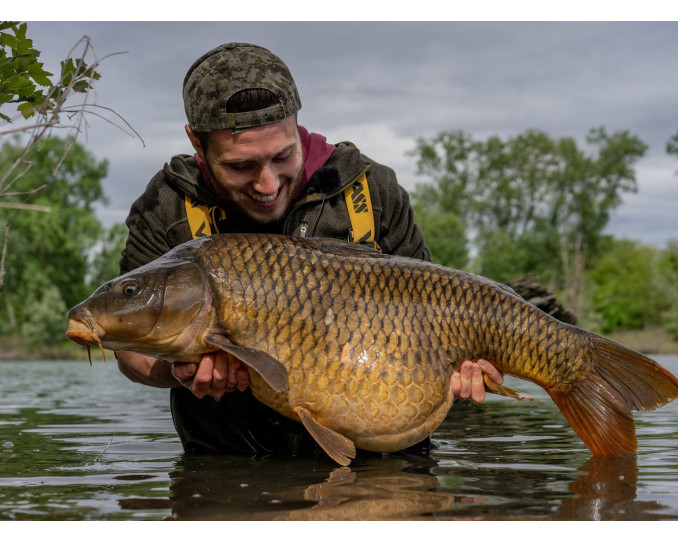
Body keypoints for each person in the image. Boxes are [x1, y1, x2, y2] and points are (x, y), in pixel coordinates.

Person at [116, 42, 503, 456]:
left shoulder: (372, 190)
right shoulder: (166, 206)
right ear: (197, 142)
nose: (267, 184)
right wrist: (179, 372)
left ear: (297, 122)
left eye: (283, 155)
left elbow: (438, 307)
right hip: (228, 472)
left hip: (384, 466)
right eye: (241, 166)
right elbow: (129, 349)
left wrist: (469, 366)